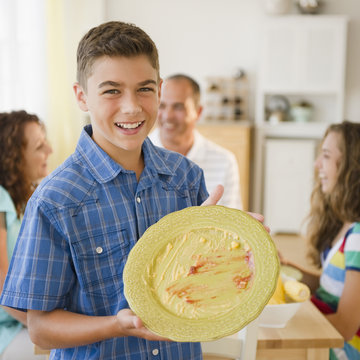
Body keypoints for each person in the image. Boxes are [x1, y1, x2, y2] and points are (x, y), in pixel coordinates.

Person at [0, 21, 256, 360]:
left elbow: (202, 282)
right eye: (112, 91)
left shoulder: (185, 178)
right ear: (81, 96)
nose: (132, 107)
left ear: (160, 89)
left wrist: (242, 248)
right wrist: (117, 325)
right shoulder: (55, 200)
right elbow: (41, 329)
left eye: (145, 89)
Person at [282, 121, 360, 360]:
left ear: (351, 167)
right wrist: (286, 266)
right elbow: (330, 286)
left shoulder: (358, 236)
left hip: (341, 350)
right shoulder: (346, 225)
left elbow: (346, 325)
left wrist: (290, 325)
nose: (317, 165)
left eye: (325, 156)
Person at [0, 110, 52, 359]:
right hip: (8, 326)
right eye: (40, 146)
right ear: (13, 157)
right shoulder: (0, 198)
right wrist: (43, 326)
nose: (50, 151)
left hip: (27, 319)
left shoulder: (32, 197)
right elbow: (0, 280)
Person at [149, 74, 243, 209]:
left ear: (198, 112)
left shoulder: (224, 161)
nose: (168, 116)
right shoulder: (137, 157)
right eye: (161, 105)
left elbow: (234, 223)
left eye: (178, 107)